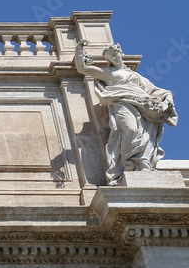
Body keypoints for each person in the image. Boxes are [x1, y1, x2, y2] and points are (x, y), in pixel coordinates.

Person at [75, 40, 178, 185]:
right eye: (111, 57)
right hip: (122, 103)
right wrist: (79, 50)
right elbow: (83, 69)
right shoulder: (108, 73)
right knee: (130, 129)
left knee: (143, 135)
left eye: (116, 54)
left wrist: (167, 97)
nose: (115, 58)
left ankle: (142, 163)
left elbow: (153, 89)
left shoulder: (134, 75)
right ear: (108, 60)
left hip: (142, 104)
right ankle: (128, 164)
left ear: (120, 53)